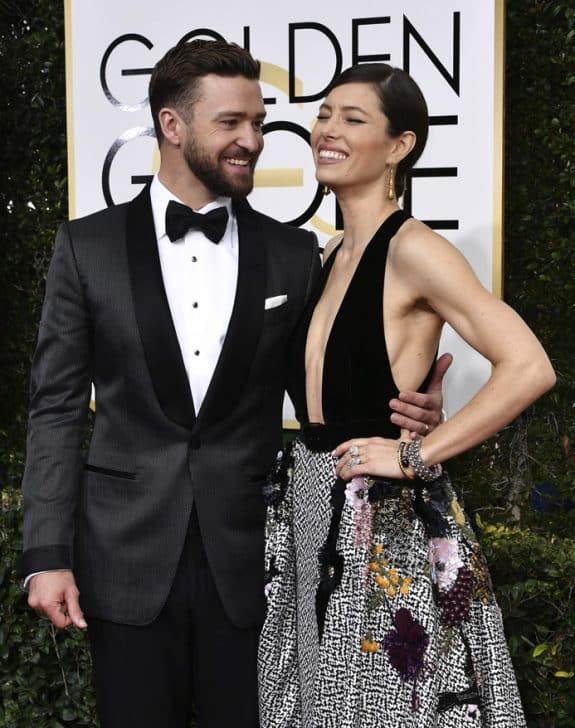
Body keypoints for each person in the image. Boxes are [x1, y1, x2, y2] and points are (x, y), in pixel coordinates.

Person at [18, 42, 443, 728]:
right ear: (172, 126)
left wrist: (406, 404)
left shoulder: (291, 253)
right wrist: (45, 556)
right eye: (230, 124)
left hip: (255, 561)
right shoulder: (85, 246)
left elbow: (321, 386)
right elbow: (56, 409)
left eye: (258, 121)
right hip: (121, 559)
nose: (252, 140)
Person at [258, 63, 555, 728]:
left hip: (381, 524)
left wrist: (414, 454)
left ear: (399, 146)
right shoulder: (330, 253)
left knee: (389, 708)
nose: (327, 130)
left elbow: (527, 365)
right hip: (311, 511)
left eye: (353, 119)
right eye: (325, 113)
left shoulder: (415, 249)